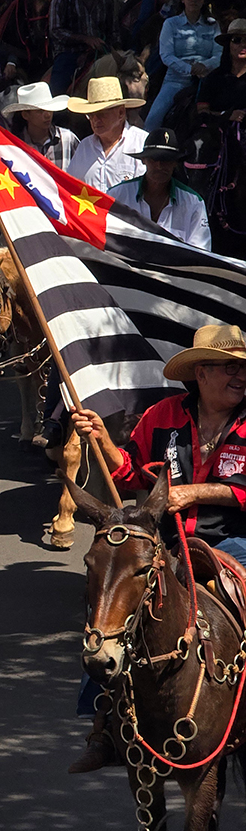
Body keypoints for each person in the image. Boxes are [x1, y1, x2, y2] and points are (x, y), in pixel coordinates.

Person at [68, 323, 246, 771]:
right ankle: (105, 723)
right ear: (200, 373)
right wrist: (103, 441)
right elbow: (130, 473)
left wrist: (197, 492)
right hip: (167, 541)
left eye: (243, 369)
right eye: (229, 368)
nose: (240, 376)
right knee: (112, 597)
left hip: (234, 539)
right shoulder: (162, 416)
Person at [106, 128, 212, 248]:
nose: (159, 166)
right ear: (143, 160)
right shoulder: (116, 195)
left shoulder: (193, 202)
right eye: (154, 159)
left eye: (166, 160)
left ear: (175, 163)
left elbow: (200, 251)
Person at [148, 0, 219, 131]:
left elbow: (219, 54)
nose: (193, 0)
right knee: (152, 120)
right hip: (176, 81)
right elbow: (166, 55)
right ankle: (147, 143)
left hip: (208, 80)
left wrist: (205, 66)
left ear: (204, 0)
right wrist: (190, 68)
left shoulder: (213, 25)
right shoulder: (170, 24)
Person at [49, 0, 120, 94]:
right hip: (69, 53)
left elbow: (113, 31)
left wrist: (113, 49)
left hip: (99, 53)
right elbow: (55, 30)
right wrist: (85, 39)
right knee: (58, 89)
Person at [66, 76, 148, 189]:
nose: (95, 120)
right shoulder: (84, 147)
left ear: (121, 113)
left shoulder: (141, 143)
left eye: (101, 114)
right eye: (91, 115)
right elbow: (70, 187)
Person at [1, 81, 78, 172]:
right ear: (25, 115)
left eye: (49, 109)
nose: (47, 115)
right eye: (40, 111)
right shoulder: (15, 145)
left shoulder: (68, 139)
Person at [199, 16, 246, 120]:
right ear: (228, 45)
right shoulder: (214, 78)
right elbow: (201, 111)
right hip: (219, 128)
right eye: (237, 40)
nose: (243, 44)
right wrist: (225, 115)